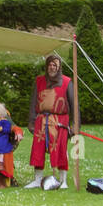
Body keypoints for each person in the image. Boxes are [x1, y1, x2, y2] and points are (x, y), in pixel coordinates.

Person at [26, 55, 72, 189]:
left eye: (55, 65)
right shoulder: (39, 81)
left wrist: (74, 125)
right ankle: (37, 180)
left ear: (59, 67)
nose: (52, 67)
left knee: (61, 150)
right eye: (50, 65)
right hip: (41, 120)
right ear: (46, 66)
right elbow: (34, 101)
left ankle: (63, 181)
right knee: (38, 150)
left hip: (60, 121)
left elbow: (74, 105)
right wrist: (31, 121)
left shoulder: (67, 82)